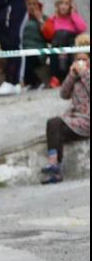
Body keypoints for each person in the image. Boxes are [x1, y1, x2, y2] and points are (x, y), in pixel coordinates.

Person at [41, 34, 89, 184]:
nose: (80, 62)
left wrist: (84, 73)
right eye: (77, 59)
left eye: (84, 59)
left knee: (56, 124)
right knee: (53, 124)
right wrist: (71, 75)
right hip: (75, 118)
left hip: (87, 120)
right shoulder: (76, 75)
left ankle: (55, 166)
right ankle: (54, 166)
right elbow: (63, 94)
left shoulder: (86, 74)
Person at [41, 0, 88, 86]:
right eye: (61, 3)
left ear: (70, 6)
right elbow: (47, 34)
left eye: (66, 3)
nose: (63, 6)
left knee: (72, 52)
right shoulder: (53, 19)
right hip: (56, 48)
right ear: (57, 6)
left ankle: (70, 77)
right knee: (54, 52)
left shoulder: (73, 18)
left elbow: (82, 28)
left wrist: (74, 14)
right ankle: (55, 78)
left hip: (70, 47)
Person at [22, 0, 49, 89]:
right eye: (29, 4)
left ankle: (37, 81)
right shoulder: (21, 20)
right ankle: (30, 83)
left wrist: (40, 20)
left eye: (34, 4)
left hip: (38, 51)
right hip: (24, 50)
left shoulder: (44, 18)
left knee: (28, 58)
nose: (32, 7)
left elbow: (49, 36)